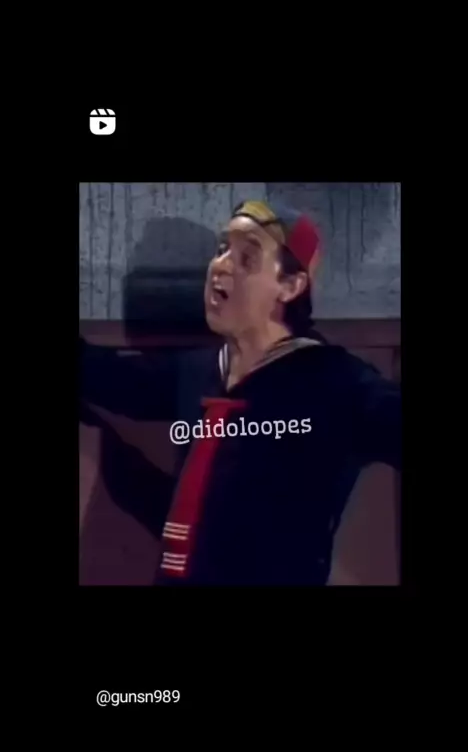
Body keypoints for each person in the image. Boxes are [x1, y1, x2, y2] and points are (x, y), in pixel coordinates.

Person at [80, 199, 401, 585]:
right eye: (221, 249)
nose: (220, 265)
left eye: (247, 257)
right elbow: (108, 377)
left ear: (290, 285)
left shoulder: (336, 384)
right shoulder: (197, 371)